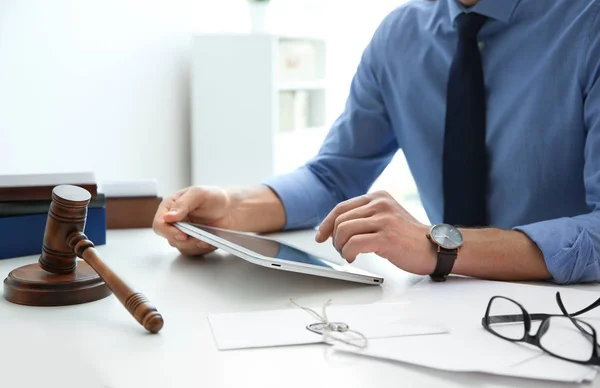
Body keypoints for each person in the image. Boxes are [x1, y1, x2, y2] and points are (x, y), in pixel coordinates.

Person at [153, 0, 600, 284]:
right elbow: (334, 176)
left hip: (565, 316)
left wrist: (437, 247)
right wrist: (231, 208)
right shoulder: (400, 36)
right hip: (443, 314)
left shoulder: (589, 23)